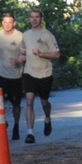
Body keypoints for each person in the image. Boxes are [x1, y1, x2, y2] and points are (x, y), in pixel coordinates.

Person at [19, 9, 61, 144]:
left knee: (44, 102)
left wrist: (41, 54)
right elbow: (23, 51)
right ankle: (30, 133)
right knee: (29, 101)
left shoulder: (48, 35)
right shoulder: (25, 35)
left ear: (41, 18)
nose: (34, 19)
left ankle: (47, 118)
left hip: (45, 73)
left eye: (37, 17)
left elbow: (56, 54)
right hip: (29, 72)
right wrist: (21, 58)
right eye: (32, 17)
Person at [0, 13, 24, 141]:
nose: (7, 24)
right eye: (5, 22)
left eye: (10, 22)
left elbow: (25, 53)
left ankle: (16, 125)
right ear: (2, 23)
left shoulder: (20, 36)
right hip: (0, 73)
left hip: (16, 75)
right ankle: (3, 121)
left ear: (14, 23)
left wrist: (20, 60)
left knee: (16, 102)